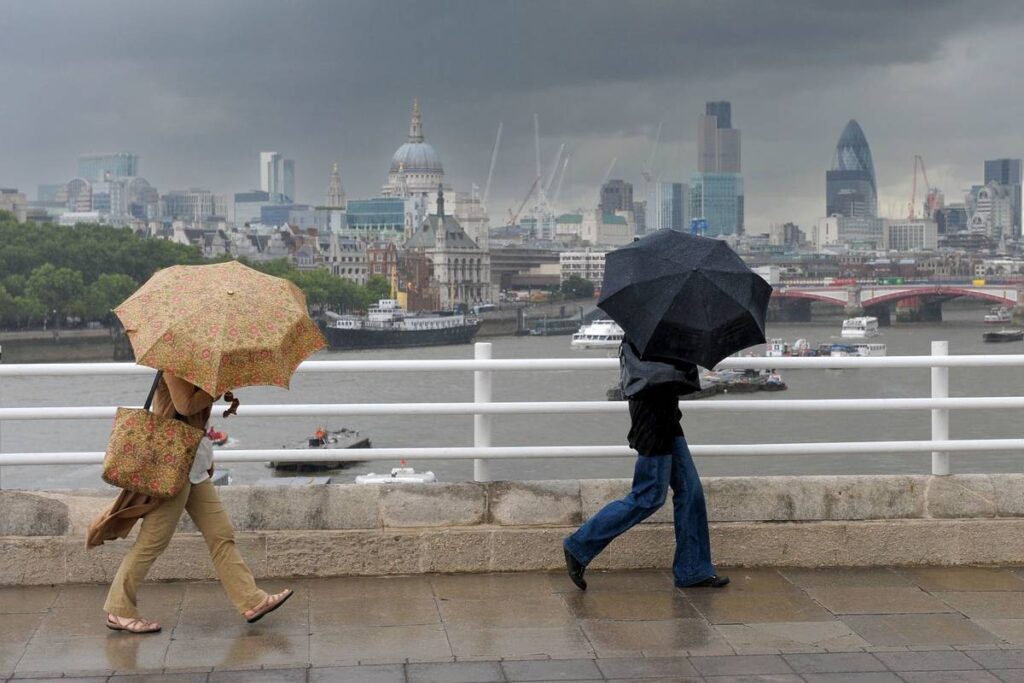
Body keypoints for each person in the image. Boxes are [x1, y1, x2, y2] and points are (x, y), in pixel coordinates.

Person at [89, 372, 292, 633]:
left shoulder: (197, 365)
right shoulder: (175, 364)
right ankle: (119, 610)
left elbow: (196, 418)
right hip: (172, 467)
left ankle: (252, 600)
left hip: (191, 463)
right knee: (153, 541)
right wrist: (215, 389)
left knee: (221, 533)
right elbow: (185, 405)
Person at [563, 338, 729, 590]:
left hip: (666, 416)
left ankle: (692, 569)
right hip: (652, 419)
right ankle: (579, 545)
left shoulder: (662, 328)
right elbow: (657, 377)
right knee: (649, 495)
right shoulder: (650, 333)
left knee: (690, 491)